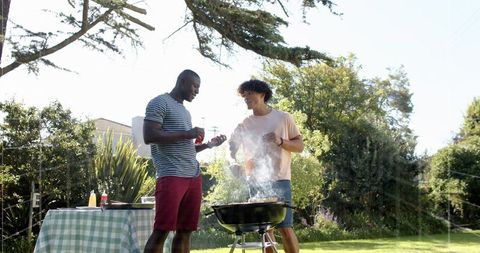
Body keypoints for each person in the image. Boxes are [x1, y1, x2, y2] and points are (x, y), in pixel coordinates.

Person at [143, 69, 227, 253]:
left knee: (185, 231)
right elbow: (149, 135)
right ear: (182, 82)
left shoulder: (185, 112)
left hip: (193, 177)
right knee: (162, 230)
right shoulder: (159, 102)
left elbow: (185, 148)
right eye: (194, 86)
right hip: (171, 176)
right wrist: (188, 134)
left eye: (199, 87)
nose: (197, 91)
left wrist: (208, 145)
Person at [229, 79, 304, 253]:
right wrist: (232, 161)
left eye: (250, 93)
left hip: (280, 179)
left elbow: (299, 146)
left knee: (285, 227)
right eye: (244, 95)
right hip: (255, 180)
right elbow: (231, 147)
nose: (246, 97)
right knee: (264, 230)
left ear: (262, 94)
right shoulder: (245, 123)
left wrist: (280, 141)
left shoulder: (283, 118)